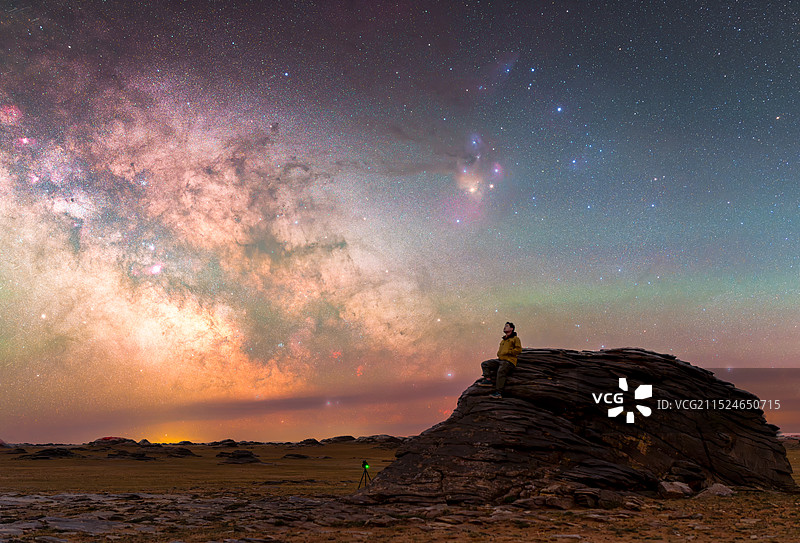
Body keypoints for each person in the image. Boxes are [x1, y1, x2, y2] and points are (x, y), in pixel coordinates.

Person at [477, 322, 522, 398]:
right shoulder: (503, 340)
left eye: (507, 326)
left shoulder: (515, 339)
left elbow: (518, 350)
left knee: (501, 371)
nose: (504, 327)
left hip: (509, 361)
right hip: (500, 360)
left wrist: (509, 352)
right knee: (485, 364)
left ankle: (498, 393)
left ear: (511, 329)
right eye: (504, 326)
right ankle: (488, 380)